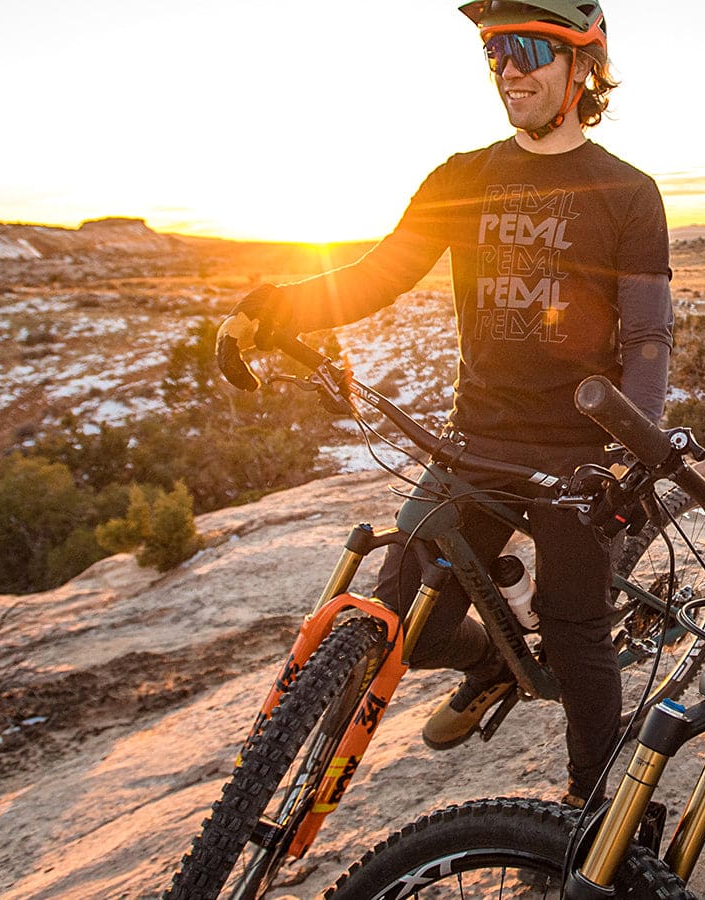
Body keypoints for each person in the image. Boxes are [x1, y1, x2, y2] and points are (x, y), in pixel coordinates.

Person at [230, 0, 672, 806]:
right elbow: (375, 274)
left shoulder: (627, 193)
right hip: (475, 443)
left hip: (577, 456)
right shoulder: (461, 177)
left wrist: (628, 453)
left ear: (584, 66)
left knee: (576, 633)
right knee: (404, 620)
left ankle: (595, 813)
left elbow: (646, 337)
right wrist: (271, 307)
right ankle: (490, 663)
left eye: (530, 49)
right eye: (495, 49)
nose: (507, 68)